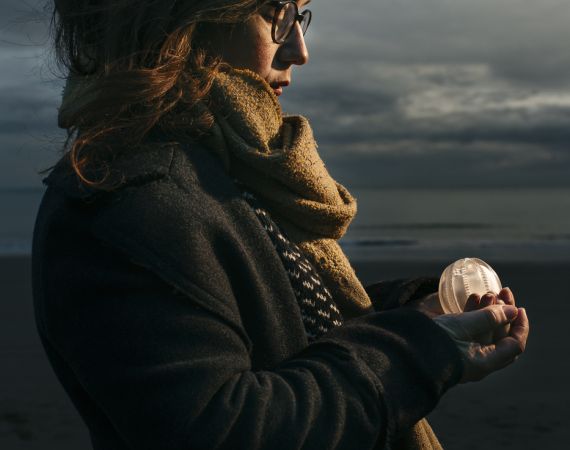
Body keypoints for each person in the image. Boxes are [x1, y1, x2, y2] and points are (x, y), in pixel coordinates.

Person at [32, 1, 529, 449]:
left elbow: (276, 329)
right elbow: (227, 430)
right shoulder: (129, 202)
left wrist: (415, 318)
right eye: (276, 11)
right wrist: (417, 355)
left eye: (300, 13)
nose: (298, 48)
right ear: (179, 19)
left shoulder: (215, 169)